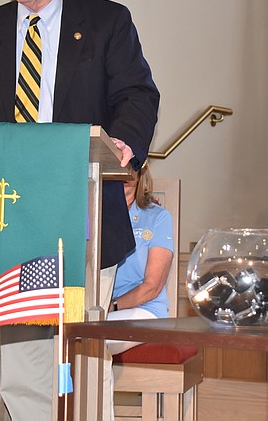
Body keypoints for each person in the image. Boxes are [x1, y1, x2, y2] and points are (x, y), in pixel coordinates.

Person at [0, 0, 160, 421]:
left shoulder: (105, 21)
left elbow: (137, 94)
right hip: (11, 214)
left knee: (83, 352)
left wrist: (123, 144)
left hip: (83, 207)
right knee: (23, 357)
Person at [103, 163, 174, 413]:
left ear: (141, 173)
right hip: (99, 311)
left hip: (146, 312)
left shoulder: (157, 217)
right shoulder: (96, 213)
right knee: (68, 340)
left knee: (91, 342)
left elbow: (152, 287)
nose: (126, 175)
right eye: (118, 169)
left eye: (132, 168)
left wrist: (112, 306)